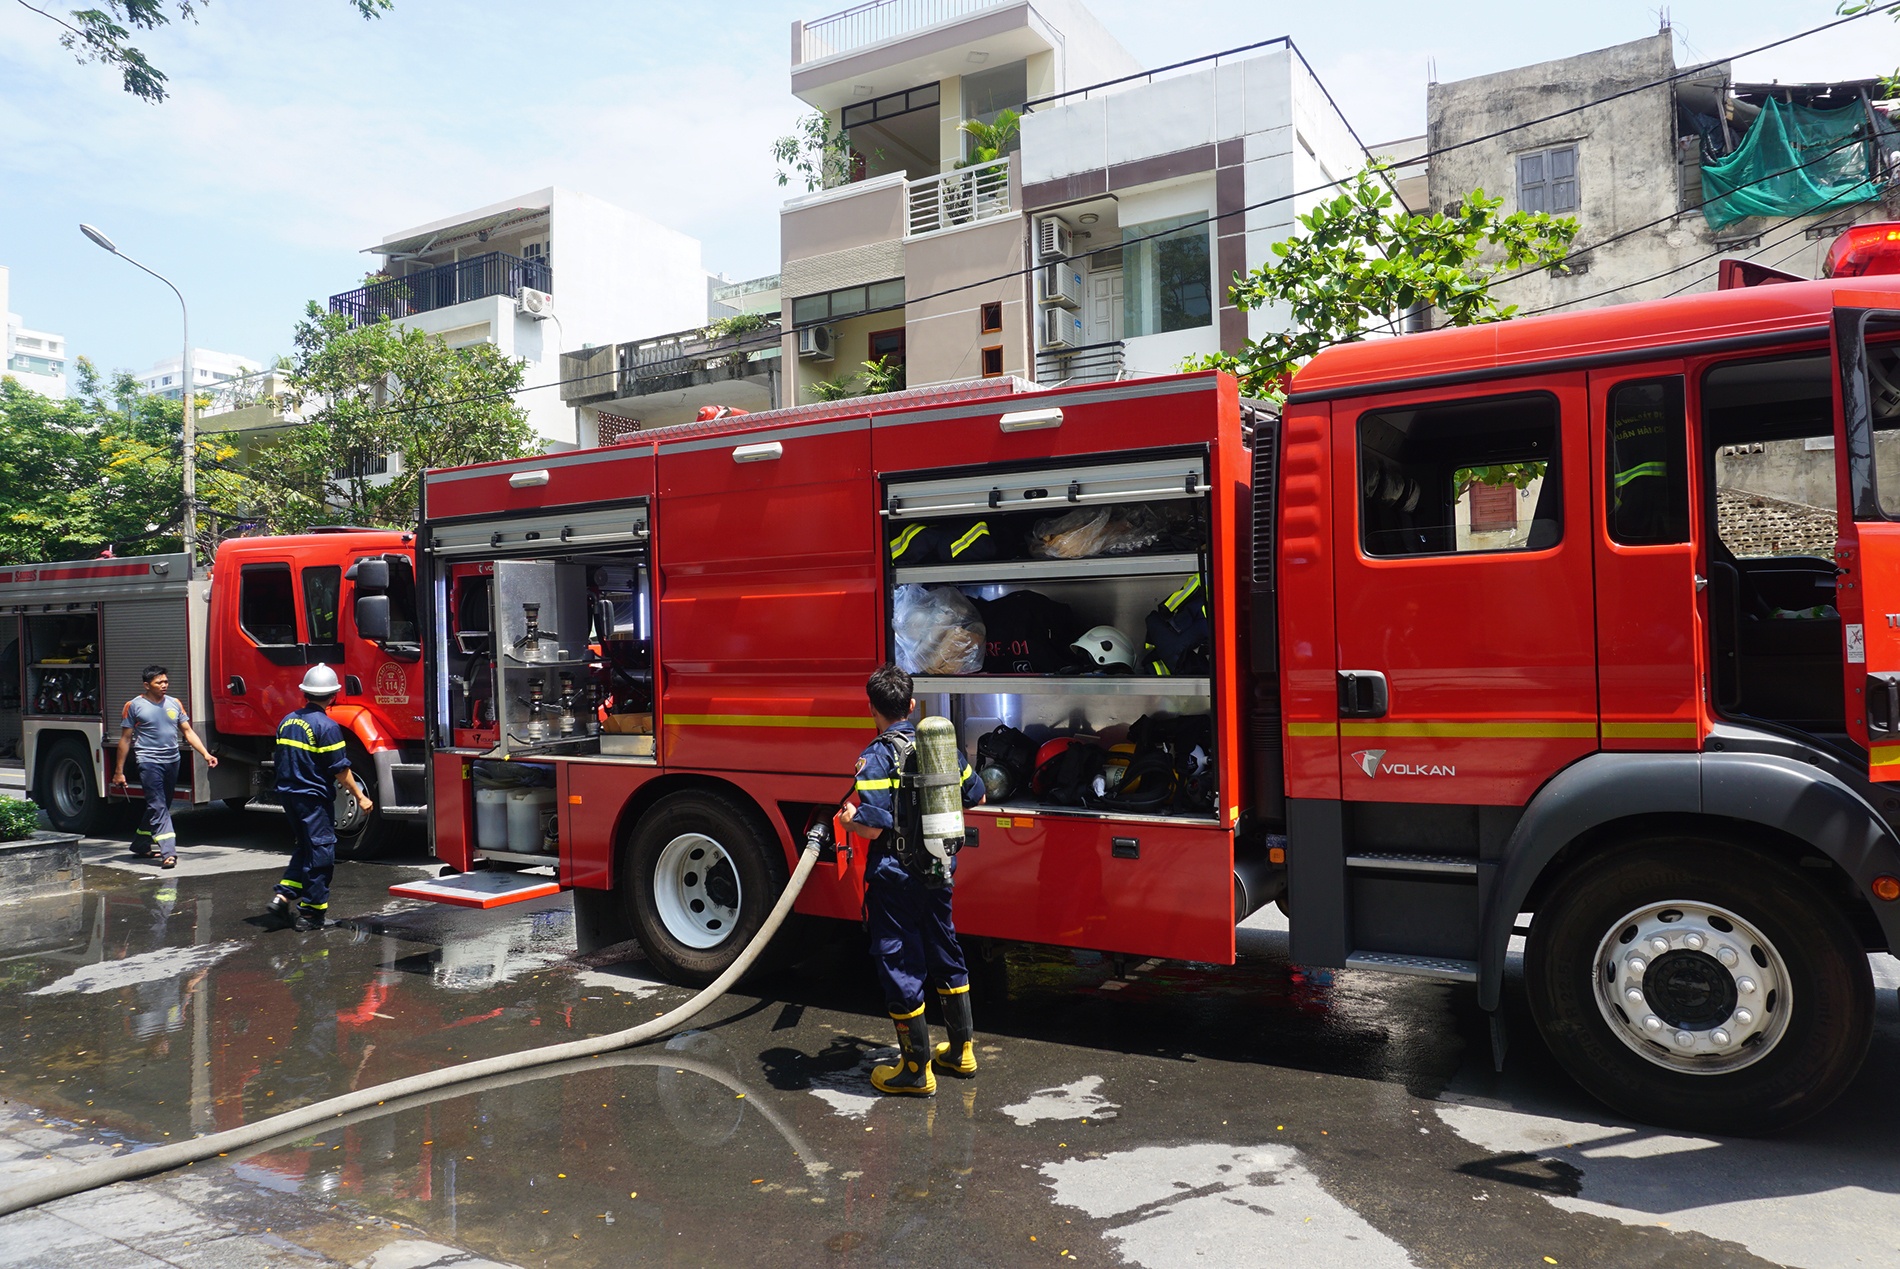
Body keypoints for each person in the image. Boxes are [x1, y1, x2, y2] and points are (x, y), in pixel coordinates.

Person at [838, 664, 986, 1096]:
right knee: (946, 951)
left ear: (872, 709)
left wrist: (850, 820)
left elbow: (874, 827)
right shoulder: (939, 747)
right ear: (912, 705)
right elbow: (977, 794)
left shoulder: (876, 756)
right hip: (939, 871)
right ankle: (961, 1051)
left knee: (900, 962)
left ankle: (916, 1070)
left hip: (895, 878)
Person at [266, 664, 372, 932]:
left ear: (305, 692)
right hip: (312, 798)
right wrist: (361, 797)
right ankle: (312, 914)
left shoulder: (287, 720)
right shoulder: (327, 726)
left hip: (289, 796)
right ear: (333, 695)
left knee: (305, 847)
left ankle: (283, 896)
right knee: (322, 853)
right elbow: (340, 769)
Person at [110, 665, 218, 868]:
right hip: (148, 761)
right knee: (158, 805)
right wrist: (119, 771)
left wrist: (205, 753)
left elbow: (187, 732)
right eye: (159, 682)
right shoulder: (133, 705)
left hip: (172, 761)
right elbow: (125, 739)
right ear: (146, 685)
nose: (164, 685)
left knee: (161, 805)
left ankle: (141, 844)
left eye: (166, 681)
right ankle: (168, 852)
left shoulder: (174, 703)